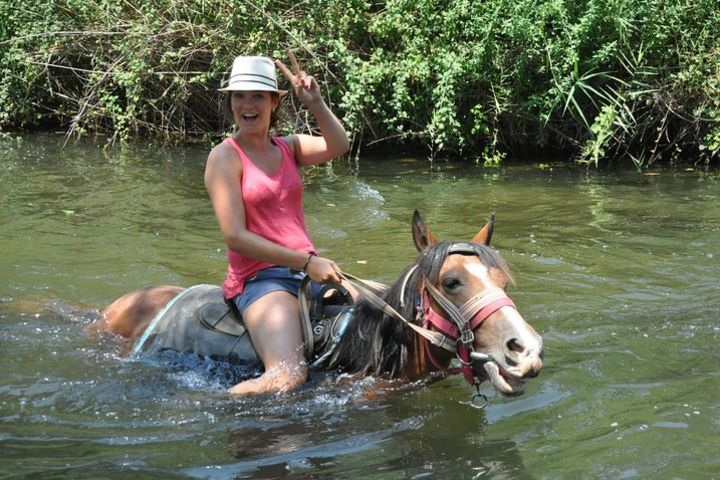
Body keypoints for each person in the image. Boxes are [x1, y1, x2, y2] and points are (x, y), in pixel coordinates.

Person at [204, 52, 350, 395]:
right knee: (287, 376)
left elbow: (339, 145)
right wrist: (308, 262)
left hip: (303, 271)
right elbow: (235, 236)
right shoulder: (224, 156)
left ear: (273, 102)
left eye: (257, 95)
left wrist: (315, 103)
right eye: (239, 95)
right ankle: (210, 403)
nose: (247, 104)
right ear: (231, 102)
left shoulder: (288, 148)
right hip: (259, 279)